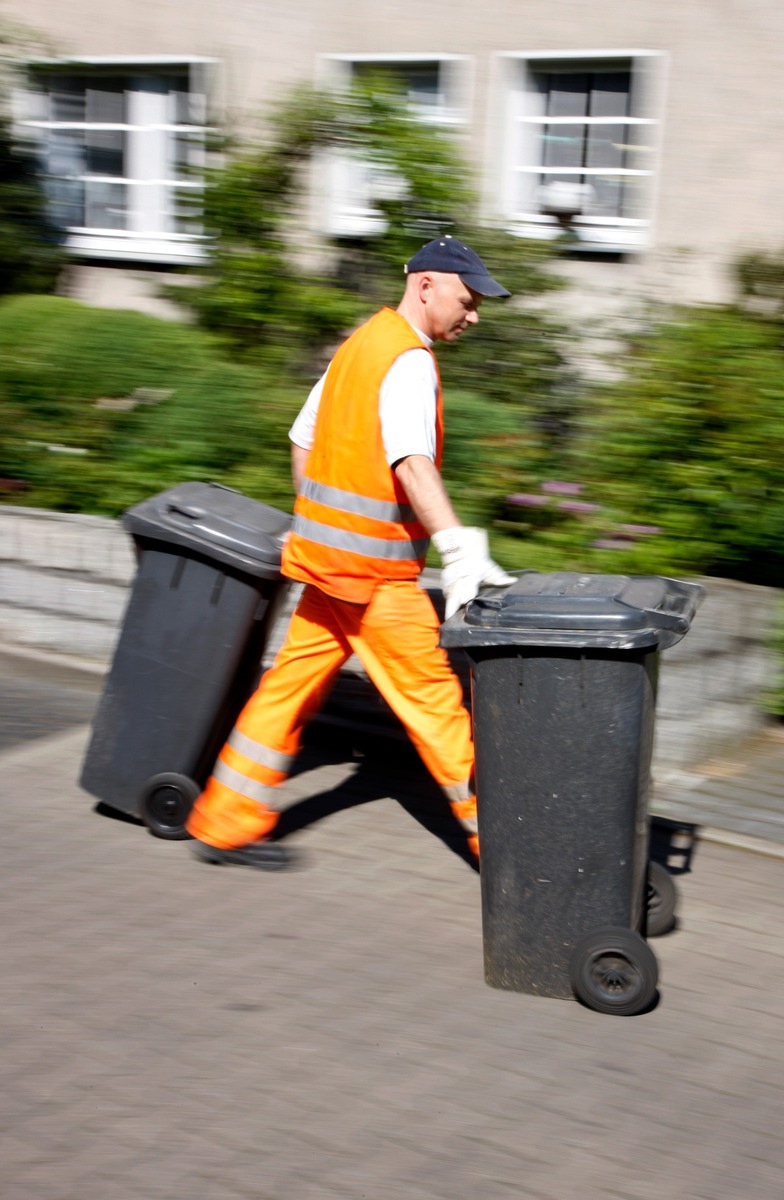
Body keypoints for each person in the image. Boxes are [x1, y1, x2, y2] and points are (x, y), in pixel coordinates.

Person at [186, 235, 515, 868]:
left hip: (329, 567)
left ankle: (224, 822)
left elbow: (303, 439)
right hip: (376, 579)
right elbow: (413, 466)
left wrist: (317, 521)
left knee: (288, 688)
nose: (472, 315)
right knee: (436, 708)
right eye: (467, 300)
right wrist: (458, 549)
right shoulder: (409, 360)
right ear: (427, 286)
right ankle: (511, 850)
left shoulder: (361, 344)